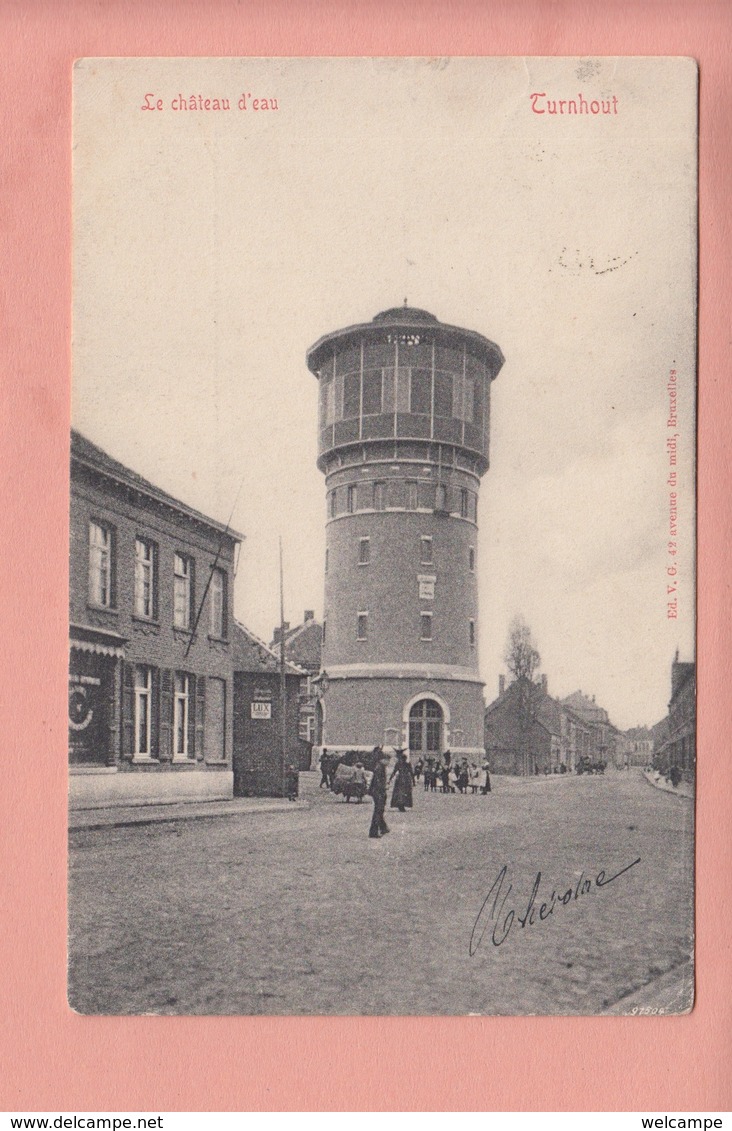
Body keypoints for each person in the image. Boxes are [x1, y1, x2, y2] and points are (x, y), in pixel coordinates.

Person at [368, 751, 391, 838]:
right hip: (378, 792)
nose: (388, 763)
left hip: (378, 791)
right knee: (378, 811)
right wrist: (383, 788)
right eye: (388, 760)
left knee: (380, 810)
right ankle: (373, 832)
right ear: (383, 759)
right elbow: (378, 782)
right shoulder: (379, 768)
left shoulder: (381, 767)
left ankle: (383, 827)